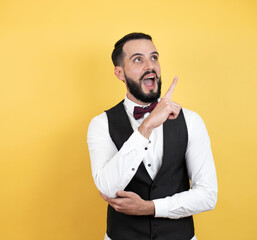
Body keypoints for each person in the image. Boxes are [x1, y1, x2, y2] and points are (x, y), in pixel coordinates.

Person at [87, 32, 218, 240]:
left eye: (154, 57)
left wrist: (150, 208)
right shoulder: (101, 124)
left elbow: (208, 196)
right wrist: (146, 126)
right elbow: (108, 188)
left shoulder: (191, 121)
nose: (150, 66)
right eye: (138, 59)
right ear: (119, 73)